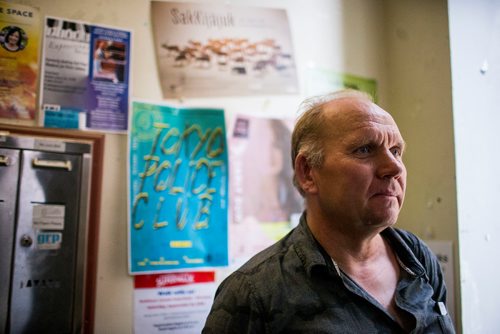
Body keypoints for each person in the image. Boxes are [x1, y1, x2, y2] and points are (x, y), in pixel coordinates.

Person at [203, 89, 456, 333]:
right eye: (364, 149)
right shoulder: (254, 293)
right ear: (308, 172)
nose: (394, 167)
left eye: (396, 151)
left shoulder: (415, 257)